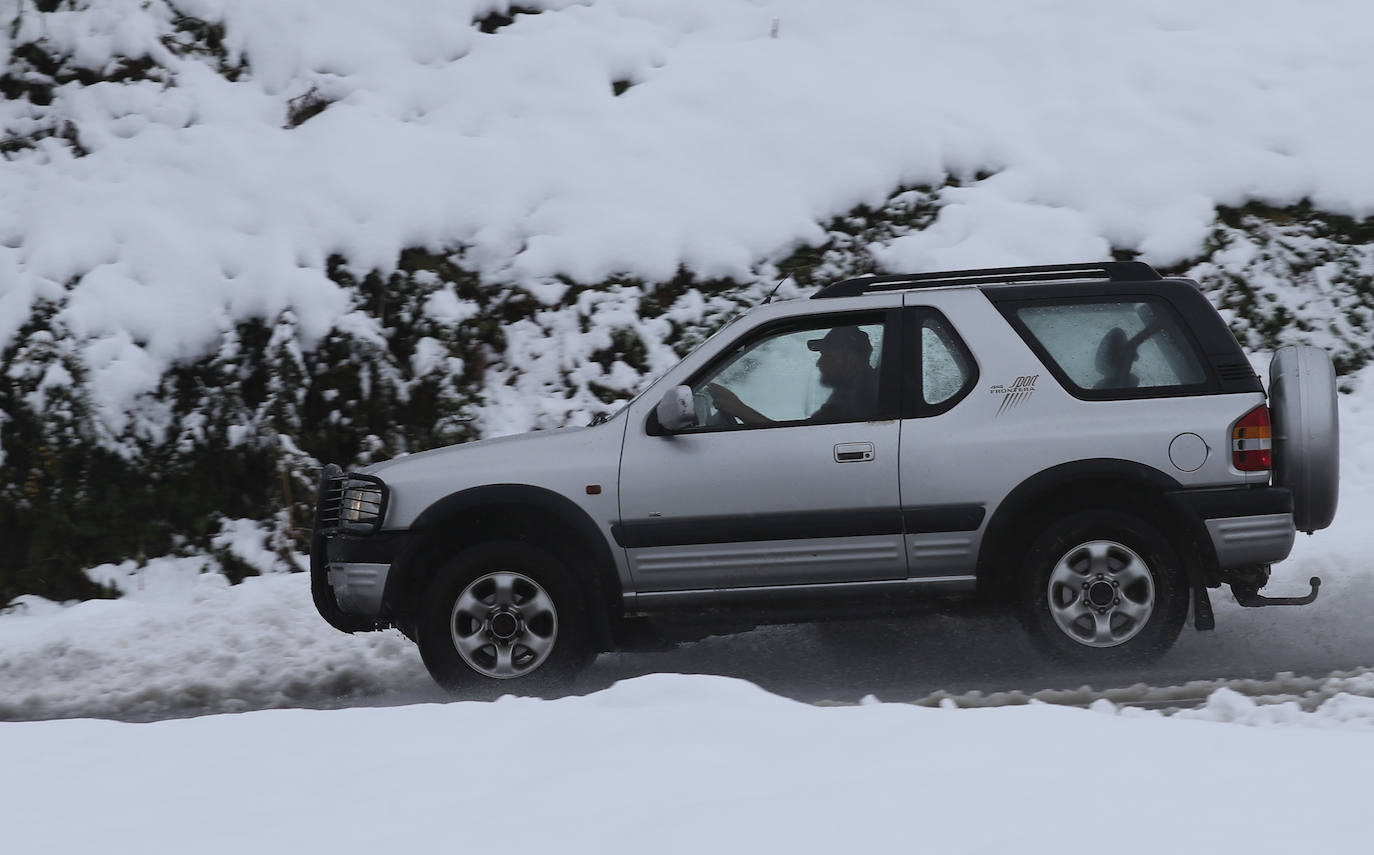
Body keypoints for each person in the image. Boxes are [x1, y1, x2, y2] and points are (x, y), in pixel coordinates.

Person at [708, 325, 878, 426]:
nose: (819, 363)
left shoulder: (861, 395)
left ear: (852, 359)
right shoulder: (852, 390)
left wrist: (739, 409)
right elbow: (806, 433)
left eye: (829, 356)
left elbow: (805, 440)